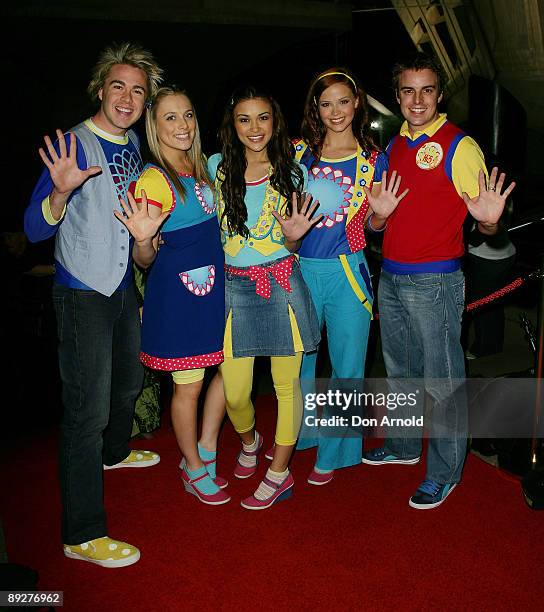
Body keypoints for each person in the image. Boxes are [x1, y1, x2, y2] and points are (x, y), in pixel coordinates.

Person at [24, 42, 163, 567]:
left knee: (128, 383)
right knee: (86, 411)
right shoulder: (73, 145)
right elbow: (34, 227)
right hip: (82, 289)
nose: (127, 98)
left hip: (122, 285)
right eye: (118, 86)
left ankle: (115, 452)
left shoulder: (133, 150)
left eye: (138, 91)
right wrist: (59, 195)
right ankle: (81, 534)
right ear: (100, 89)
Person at [362, 52, 515, 509]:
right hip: (391, 276)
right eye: (408, 90)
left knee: (442, 381)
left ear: (439, 94)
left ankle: (445, 472)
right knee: (402, 373)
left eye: (427, 89)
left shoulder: (458, 145)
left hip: (436, 281)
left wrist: (490, 224)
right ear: (397, 96)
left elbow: (485, 219)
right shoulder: (393, 146)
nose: (417, 100)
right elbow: (377, 220)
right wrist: (377, 220)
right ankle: (406, 447)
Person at [208, 85, 321, 509]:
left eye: (262, 118)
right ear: (232, 125)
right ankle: (251, 441)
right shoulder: (217, 167)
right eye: (244, 119)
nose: (254, 128)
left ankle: (280, 473)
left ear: (275, 122)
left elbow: (293, 240)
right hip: (234, 286)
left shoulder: (294, 172)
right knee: (236, 391)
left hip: (282, 281)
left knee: (286, 387)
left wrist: (295, 241)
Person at [116, 86, 230, 505]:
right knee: (189, 386)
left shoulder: (204, 167)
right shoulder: (153, 178)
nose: (182, 125)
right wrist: (143, 241)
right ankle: (194, 469)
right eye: (169, 117)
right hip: (179, 297)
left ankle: (205, 448)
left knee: (232, 370)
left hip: (217, 289)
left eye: (187, 115)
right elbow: (144, 257)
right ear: (154, 125)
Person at [288, 67, 402, 485]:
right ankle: (299, 434)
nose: (335, 111)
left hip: (347, 272)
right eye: (325, 103)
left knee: (348, 365)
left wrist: (380, 217)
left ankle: (337, 451)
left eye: (342, 101)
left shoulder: (375, 159)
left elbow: (375, 225)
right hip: (299, 270)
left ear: (357, 103)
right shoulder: (298, 152)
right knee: (299, 362)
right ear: (315, 108)